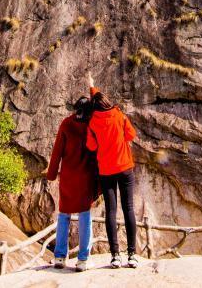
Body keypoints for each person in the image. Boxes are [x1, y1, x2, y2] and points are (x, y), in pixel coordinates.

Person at [85, 75, 139, 269]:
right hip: (125, 167)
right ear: (107, 102)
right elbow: (131, 135)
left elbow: (91, 146)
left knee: (111, 211)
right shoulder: (119, 115)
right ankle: (132, 254)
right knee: (129, 209)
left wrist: (91, 87)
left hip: (106, 171)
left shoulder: (93, 123)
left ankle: (115, 255)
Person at [46, 96, 99, 272]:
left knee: (64, 215)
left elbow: (57, 151)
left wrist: (52, 174)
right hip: (86, 177)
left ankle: (60, 257)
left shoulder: (67, 124)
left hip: (68, 177)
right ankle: (82, 259)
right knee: (84, 216)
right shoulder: (92, 125)